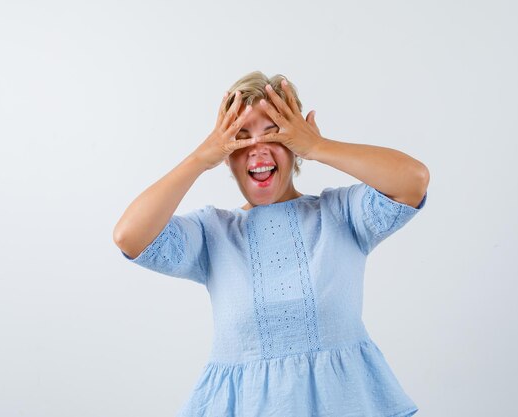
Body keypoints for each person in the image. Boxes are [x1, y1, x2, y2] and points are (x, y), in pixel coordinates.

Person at [113, 70, 429, 417]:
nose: (256, 149)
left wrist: (318, 147)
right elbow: (130, 236)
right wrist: (200, 158)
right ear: (226, 154)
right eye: (240, 137)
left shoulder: (342, 215)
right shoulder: (213, 233)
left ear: (295, 144)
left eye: (273, 133)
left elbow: (412, 180)